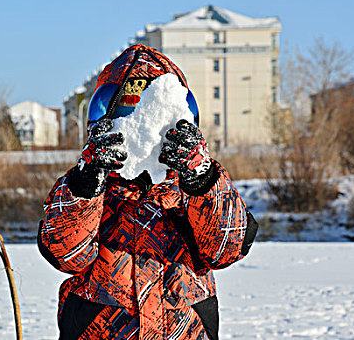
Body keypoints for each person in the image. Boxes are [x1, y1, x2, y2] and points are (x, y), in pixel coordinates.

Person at [38, 44, 258, 340]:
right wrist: (87, 181)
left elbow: (225, 249)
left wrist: (201, 178)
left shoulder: (192, 190)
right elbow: (66, 254)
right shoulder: (92, 188)